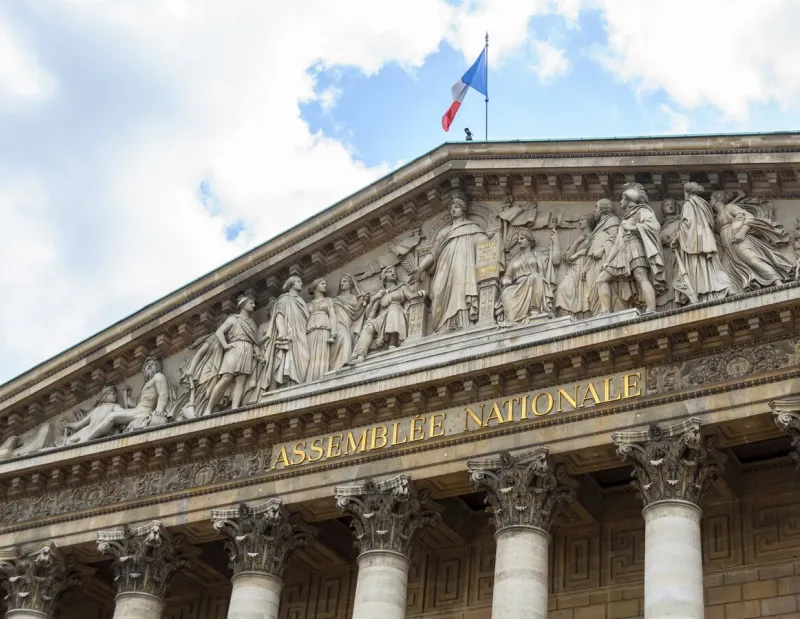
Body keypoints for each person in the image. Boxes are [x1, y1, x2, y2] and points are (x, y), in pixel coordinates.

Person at [410, 193, 487, 333]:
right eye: (452, 207)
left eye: (456, 206)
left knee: (460, 289)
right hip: (443, 268)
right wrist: (421, 268)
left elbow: (483, 243)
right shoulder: (444, 232)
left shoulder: (472, 228)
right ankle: (441, 328)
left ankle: (461, 323)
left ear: (463, 209)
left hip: (463, 265)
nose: (453, 209)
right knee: (438, 290)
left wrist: (491, 239)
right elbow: (433, 253)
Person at [65, 358, 176, 443]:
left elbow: (163, 394)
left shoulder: (158, 377)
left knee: (112, 416)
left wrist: (160, 409)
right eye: (147, 365)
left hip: (144, 412)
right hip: (138, 410)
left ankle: (86, 440)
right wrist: (127, 398)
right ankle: (85, 435)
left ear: (158, 368)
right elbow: (137, 403)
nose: (148, 366)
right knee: (112, 414)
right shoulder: (147, 384)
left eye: (152, 365)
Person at [597, 183, 666, 314]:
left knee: (641, 276)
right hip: (621, 252)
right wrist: (608, 261)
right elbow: (617, 243)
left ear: (628, 199)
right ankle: (605, 311)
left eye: (622, 199)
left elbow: (654, 227)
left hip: (636, 248)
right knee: (601, 279)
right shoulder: (625, 219)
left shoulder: (643, 211)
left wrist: (633, 228)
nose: (620, 202)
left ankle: (651, 309)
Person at [710, 190, 793, 291]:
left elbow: (750, 217)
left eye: (711, 199)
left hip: (737, 240)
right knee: (732, 270)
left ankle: (778, 281)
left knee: (753, 259)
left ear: (717, 199)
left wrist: (742, 233)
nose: (710, 201)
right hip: (728, 247)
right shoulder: (718, 215)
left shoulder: (729, 208)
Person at [671, 182, 731, 304]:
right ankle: (725, 287)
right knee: (711, 266)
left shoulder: (689, 203)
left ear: (687, 192)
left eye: (684, 193)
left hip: (694, 241)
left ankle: (704, 294)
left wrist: (677, 238)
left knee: (698, 267)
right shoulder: (704, 204)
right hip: (706, 240)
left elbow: (687, 223)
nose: (684, 196)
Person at [352, 266, 424, 363]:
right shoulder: (380, 292)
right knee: (369, 326)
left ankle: (392, 344)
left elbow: (412, 297)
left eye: (394, 271)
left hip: (398, 313)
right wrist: (374, 299)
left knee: (393, 310)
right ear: (384, 275)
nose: (393, 273)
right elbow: (369, 315)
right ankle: (361, 356)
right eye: (390, 271)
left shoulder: (402, 287)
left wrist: (419, 293)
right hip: (381, 317)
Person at [204, 294, 261, 415]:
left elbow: (254, 341)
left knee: (241, 381)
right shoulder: (233, 319)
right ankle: (208, 408)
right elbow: (219, 332)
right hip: (234, 348)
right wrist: (225, 345)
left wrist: (258, 352)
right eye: (251, 303)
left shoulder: (252, 324)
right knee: (226, 378)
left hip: (247, 349)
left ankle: (234, 409)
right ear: (243, 305)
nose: (254, 305)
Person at [496, 227, 560, 324]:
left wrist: (555, 242)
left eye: (522, 238)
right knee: (505, 294)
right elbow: (507, 276)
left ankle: (534, 310)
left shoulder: (538, 255)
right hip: (516, 286)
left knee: (534, 277)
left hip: (533, 284)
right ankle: (514, 320)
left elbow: (555, 261)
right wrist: (505, 280)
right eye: (518, 238)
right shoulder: (515, 259)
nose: (519, 241)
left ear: (529, 240)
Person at [259, 276, 310, 391]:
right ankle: (290, 386)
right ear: (291, 284)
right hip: (290, 333)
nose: (301, 283)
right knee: (290, 359)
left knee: (305, 357)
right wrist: (282, 330)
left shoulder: (301, 300)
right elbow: (279, 314)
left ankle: (298, 385)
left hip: (301, 332)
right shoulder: (284, 298)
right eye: (298, 281)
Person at [555, 213, 596, 317]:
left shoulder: (595, 235)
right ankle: (564, 318)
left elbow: (594, 250)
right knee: (562, 289)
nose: (580, 222)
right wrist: (577, 242)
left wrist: (578, 253)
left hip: (587, 265)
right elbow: (568, 257)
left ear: (589, 222)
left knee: (584, 296)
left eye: (582, 219)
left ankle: (583, 317)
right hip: (575, 267)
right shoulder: (579, 238)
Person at [330, 274, 368, 371]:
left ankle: (337, 366)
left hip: (349, 324)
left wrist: (363, 301)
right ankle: (344, 365)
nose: (342, 283)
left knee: (348, 340)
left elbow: (355, 312)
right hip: (338, 324)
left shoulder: (354, 298)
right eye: (341, 282)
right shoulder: (335, 300)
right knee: (345, 338)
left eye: (345, 281)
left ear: (351, 284)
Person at [305, 278, 338, 382]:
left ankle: (321, 377)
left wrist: (333, 330)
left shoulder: (328, 300)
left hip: (324, 328)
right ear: (315, 287)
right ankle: (310, 380)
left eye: (325, 284)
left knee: (322, 353)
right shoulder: (308, 304)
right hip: (311, 330)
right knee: (311, 355)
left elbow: (332, 315)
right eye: (322, 284)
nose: (325, 286)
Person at [658, 198, 681, 310]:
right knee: (667, 277)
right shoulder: (662, 225)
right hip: (665, 255)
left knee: (675, 276)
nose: (671, 206)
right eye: (667, 205)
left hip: (675, 253)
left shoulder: (680, 220)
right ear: (662, 209)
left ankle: (678, 299)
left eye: (673, 204)